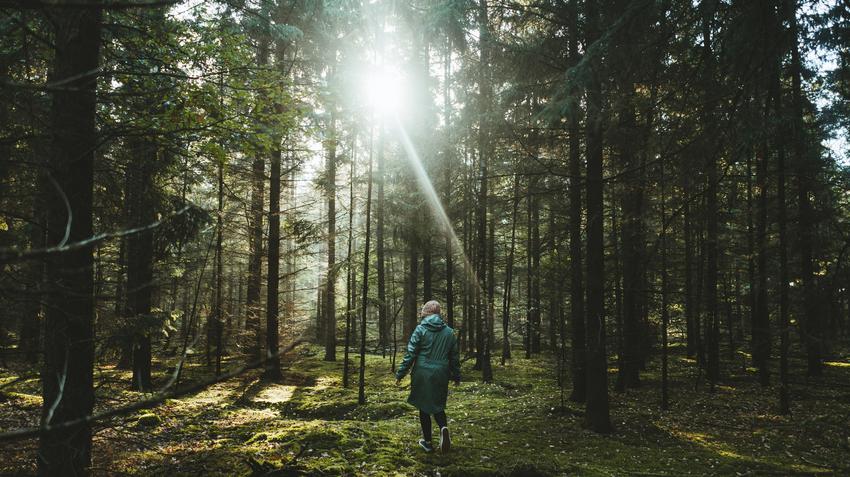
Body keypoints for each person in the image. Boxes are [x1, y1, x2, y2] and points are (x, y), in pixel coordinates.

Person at [395, 300, 461, 453]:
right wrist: (456, 376)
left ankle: (428, 442)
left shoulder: (420, 329)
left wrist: (400, 374)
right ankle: (443, 428)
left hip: (422, 372)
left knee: (424, 406)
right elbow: (454, 358)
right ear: (439, 313)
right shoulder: (449, 332)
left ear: (426, 313)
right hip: (441, 373)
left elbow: (410, 354)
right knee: (438, 404)